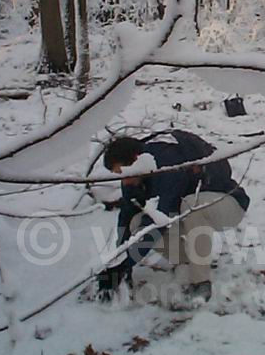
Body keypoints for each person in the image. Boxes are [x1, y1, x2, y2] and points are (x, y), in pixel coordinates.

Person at [97, 130, 250, 306]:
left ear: (136, 159)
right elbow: (126, 216)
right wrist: (119, 265)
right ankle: (186, 261)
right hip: (186, 212)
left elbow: (158, 219)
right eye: (119, 176)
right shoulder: (134, 175)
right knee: (136, 222)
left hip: (228, 204)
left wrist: (125, 264)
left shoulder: (167, 161)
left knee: (191, 205)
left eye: (123, 173)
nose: (124, 182)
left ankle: (201, 283)